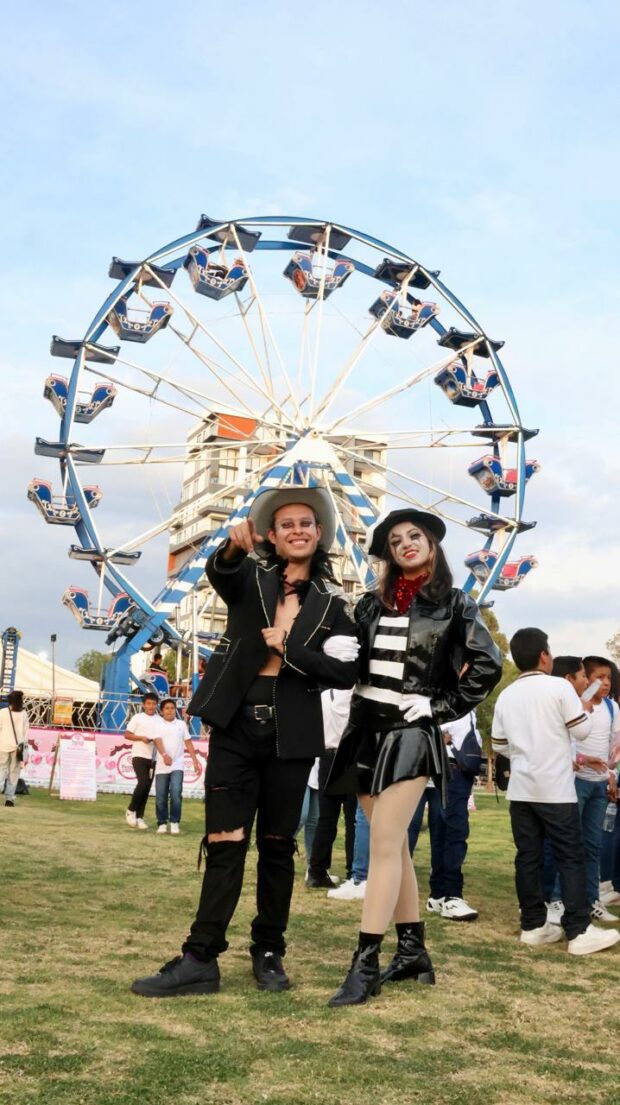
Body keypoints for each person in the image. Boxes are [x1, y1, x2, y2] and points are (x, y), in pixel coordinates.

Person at [131, 486, 359, 998]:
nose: (298, 529)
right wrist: (233, 548)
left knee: (278, 848)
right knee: (224, 843)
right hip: (235, 726)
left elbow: (344, 672)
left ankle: (269, 952)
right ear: (273, 537)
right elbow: (221, 573)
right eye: (287, 524)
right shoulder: (250, 580)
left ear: (319, 534)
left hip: (293, 736)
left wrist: (293, 649)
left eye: (307, 522)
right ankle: (199, 957)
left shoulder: (336, 608)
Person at [326, 508, 502, 1006]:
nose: (406, 543)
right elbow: (356, 662)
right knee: (394, 849)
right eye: (397, 539)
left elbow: (487, 664)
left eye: (415, 536)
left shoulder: (456, 604)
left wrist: (440, 704)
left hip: (409, 731)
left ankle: (364, 964)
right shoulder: (367, 605)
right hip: (363, 728)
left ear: (431, 544)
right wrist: (339, 651)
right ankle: (413, 950)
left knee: (383, 842)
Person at [491, 628, 619, 956]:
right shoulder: (559, 687)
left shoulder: (507, 694)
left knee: (528, 857)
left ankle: (533, 925)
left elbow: (498, 745)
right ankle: (578, 931)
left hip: (521, 790)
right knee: (571, 856)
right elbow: (582, 728)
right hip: (555, 790)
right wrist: (586, 709)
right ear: (544, 656)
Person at [408, 710, 483, 922]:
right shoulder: (450, 697)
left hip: (451, 768)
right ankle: (452, 895)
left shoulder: (452, 698)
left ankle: (439, 894)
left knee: (443, 831)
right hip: (450, 768)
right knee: (455, 833)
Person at [573, 655, 620, 922]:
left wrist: (611, 773)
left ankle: (592, 900)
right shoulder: (577, 707)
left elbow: (614, 745)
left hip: (599, 784)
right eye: (598, 677)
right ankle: (562, 900)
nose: (604, 683)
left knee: (593, 845)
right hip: (577, 781)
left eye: (608, 678)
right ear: (587, 678)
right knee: (570, 844)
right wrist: (581, 761)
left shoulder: (612, 708)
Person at [306, 689, 356, 889]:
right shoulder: (357, 696)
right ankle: (354, 871)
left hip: (327, 756)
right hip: (350, 758)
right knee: (352, 820)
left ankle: (317, 870)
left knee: (326, 819)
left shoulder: (324, 697)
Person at [153, 699, 201, 834]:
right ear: (162, 711)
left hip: (178, 765)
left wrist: (194, 760)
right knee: (161, 796)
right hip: (162, 766)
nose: (170, 710)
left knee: (175, 793)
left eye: (172, 708)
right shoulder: (157, 724)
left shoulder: (181, 724)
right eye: (167, 708)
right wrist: (164, 755)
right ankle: (162, 823)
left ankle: (174, 822)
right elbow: (157, 740)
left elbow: (188, 742)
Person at [124, 693, 162, 830]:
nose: (151, 706)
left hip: (153, 758)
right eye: (149, 704)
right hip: (139, 755)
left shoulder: (160, 720)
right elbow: (127, 734)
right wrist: (141, 738)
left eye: (153, 704)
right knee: (143, 782)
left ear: (157, 704)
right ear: (144, 705)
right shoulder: (137, 717)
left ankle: (140, 817)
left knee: (147, 788)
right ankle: (131, 810)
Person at [0, 691, 30, 808]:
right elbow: (26, 732)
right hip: (18, 747)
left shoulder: (2, 712)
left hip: (3, 745)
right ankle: (9, 798)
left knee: (1, 769)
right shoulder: (23, 714)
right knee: (14, 772)